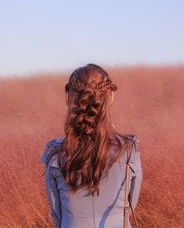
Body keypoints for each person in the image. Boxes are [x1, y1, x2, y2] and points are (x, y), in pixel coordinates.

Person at [40, 63, 143, 228]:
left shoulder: (55, 153)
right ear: (111, 97)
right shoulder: (129, 149)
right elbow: (129, 207)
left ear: (68, 97)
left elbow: (57, 215)